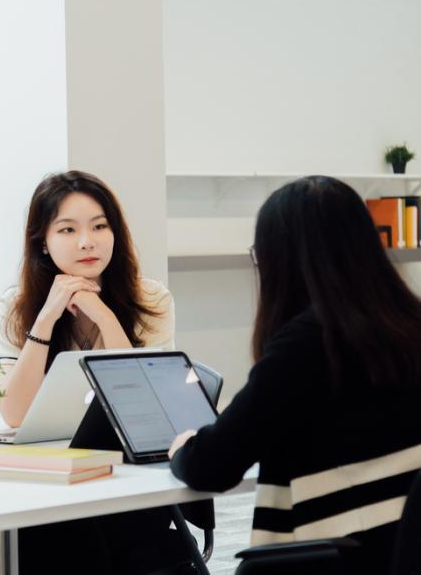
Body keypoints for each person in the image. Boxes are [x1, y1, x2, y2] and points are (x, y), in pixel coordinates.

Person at [169, 176, 421, 573]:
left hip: (335, 557)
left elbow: (212, 466)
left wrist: (184, 447)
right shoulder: (409, 324)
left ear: (278, 260)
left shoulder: (306, 346)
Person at [0, 170, 183, 575]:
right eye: (67, 229)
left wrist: (105, 317)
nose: (87, 241)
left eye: (99, 226)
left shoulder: (151, 299)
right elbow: (16, 415)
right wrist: (45, 319)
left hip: (127, 486)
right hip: (47, 489)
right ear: (43, 242)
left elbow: (137, 404)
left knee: (74, 546)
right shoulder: (16, 305)